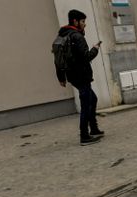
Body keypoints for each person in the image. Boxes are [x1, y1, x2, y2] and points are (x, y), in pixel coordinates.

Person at [55, 9, 103, 146]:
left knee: (92, 99)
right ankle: (84, 136)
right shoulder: (77, 36)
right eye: (83, 21)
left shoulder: (64, 35)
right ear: (75, 21)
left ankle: (93, 128)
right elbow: (87, 57)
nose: (84, 24)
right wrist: (95, 49)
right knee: (86, 103)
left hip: (73, 76)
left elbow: (58, 59)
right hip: (82, 75)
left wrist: (61, 77)